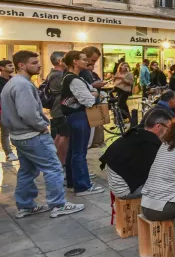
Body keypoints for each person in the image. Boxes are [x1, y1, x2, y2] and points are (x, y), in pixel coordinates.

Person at [0, 51, 85, 218]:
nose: (38, 65)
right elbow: (27, 113)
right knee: (53, 168)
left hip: (19, 135)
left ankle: (26, 205)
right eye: (33, 63)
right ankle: (58, 204)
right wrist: (41, 126)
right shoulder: (21, 84)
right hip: (31, 135)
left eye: (38, 62)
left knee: (27, 171)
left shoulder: (14, 82)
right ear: (21, 65)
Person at [60, 51, 105, 195]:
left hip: (75, 116)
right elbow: (89, 100)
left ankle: (73, 182)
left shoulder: (73, 78)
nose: (87, 62)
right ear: (75, 62)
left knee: (74, 150)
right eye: (84, 60)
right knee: (79, 152)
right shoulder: (73, 79)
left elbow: (90, 90)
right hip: (79, 116)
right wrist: (95, 95)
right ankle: (82, 186)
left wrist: (92, 92)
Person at [101, 109, 172, 199]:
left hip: (116, 184)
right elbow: (159, 174)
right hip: (125, 190)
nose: (169, 132)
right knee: (174, 187)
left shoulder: (138, 132)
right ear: (158, 126)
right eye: (168, 128)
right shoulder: (148, 144)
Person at [43, 52, 68, 162]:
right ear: (60, 61)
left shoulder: (55, 73)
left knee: (59, 135)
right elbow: (63, 91)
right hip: (60, 109)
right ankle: (61, 162)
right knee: (64, 136)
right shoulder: (57, 75)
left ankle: (57, 161)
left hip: (58, 109)